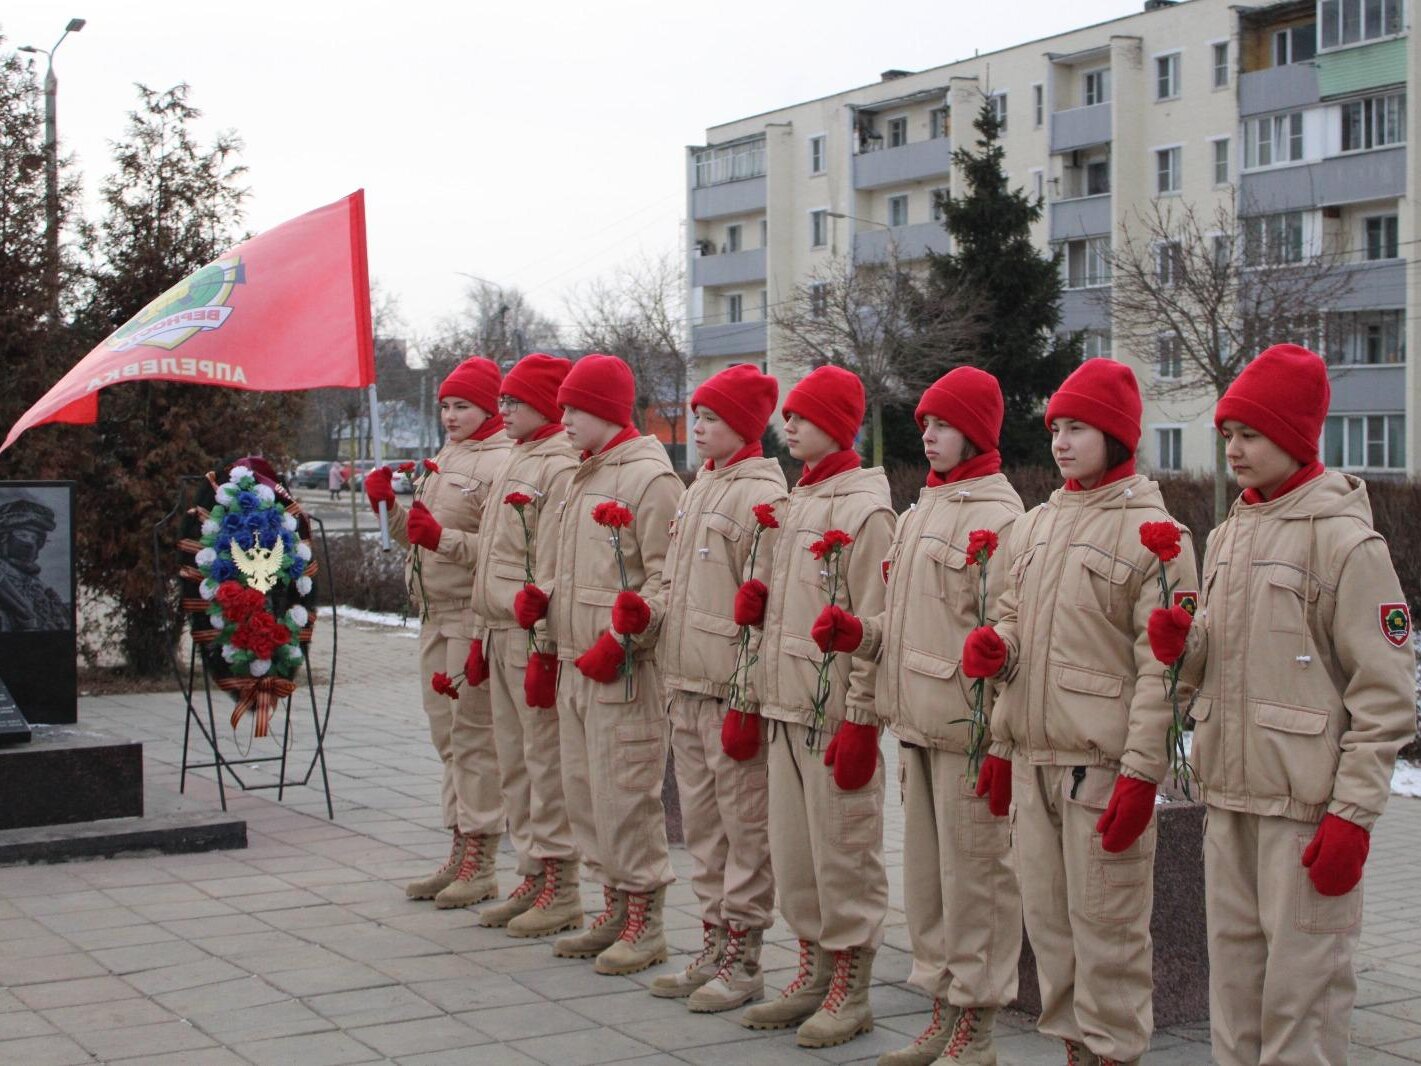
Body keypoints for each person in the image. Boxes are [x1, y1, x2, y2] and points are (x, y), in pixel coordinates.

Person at [1150, 344, 1416, 1066]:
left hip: (1304, 816)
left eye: (1250, 435)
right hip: (1229, 801)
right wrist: (1187, 644)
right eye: (1227, 435)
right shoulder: (1232, 532)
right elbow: (1227, 660)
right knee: (1233, 997)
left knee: (1302, 998)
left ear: (1296, 436)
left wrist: (1352, 817)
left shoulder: (1346, 545)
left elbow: (1385, 699)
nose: (1233, 449)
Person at [962, 357, 1198, 1065]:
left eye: (1079, 428)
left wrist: (1139, 774)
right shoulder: (1034, 526)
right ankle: (1074, 1050)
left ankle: (1111, 1052)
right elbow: (1013, 618)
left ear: (1117, 436)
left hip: (1097, 772)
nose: (1061, 442)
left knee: (1109, 936)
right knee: (1054, 936)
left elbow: (1167, 670)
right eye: (1056, 428)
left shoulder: (1157, 536)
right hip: (1033, 763)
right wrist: (996, 651)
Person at [820, 367, 1025, 1064]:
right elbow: (900, 625)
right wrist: (860, 638)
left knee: (978, 885)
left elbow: (1005, 640)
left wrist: (998, 743)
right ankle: (941, 1005)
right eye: (924, 426)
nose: (928, 436)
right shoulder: (919, 513)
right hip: (917, 731)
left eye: (941, 424)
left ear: (974, 429)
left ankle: (977, 1021)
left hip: (966, 738)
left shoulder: (998, 519)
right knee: (931, 886)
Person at [622, 364, 787, 1011]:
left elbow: (762, 609)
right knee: (703, 830)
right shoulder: (699, 490)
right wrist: (650, 616)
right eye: (698, 415)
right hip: (685, 685)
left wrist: (747, 693)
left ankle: (745, 959)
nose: (698, 427)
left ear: (744, 425)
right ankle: (713, 943)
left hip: (729, 696)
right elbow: (671, 582)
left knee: (744, 831)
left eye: (712, 417)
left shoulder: (760, 499)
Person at [740, 365, 895, 1049]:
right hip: (785, 704)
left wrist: (860, 718)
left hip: (832, 717)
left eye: (802, 415)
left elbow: (872, 619)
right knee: (797, 858)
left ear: (837, 422)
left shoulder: (864, 508)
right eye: (787, 415)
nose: (787, 424)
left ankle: (850, 986)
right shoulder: (800, 499)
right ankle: (811, 970)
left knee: (843, 856)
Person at [527, 354, 682, 975]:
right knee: (585, 796)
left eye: (573, 407)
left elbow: (667, 582)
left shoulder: (650, 480)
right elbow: (559, 568)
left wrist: (627, 636)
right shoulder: (575, 478)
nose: (562, 418)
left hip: (621, 673)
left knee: (625, 797)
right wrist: (543, 619)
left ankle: (646, 920)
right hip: (573, 664)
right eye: (560, 405)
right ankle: (613, 907)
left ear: (608, 410)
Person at [364, 356, 512, 909]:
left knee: (475, 741)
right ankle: (459, 846)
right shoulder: (448, 456)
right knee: (447, 739)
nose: (450, 415)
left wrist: (440, 536)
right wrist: (391, 510)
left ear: (490, 407)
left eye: (463, 406)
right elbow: (419, 537)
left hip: (471, 616)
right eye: (445, 406)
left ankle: (481, 858)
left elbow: (503, 551)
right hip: (434, 612)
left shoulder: (502, 461)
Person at [470, 354, 584, 937]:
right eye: (503, 401)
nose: (503, 410)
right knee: (514, 763)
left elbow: (556, 558)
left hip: (531, 633)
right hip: (499, 630)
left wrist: (542, 631)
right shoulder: (518, 458)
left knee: (545, 761)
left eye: (515, 401)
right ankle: (532, 873)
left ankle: (561, 882)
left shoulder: (558, 466)